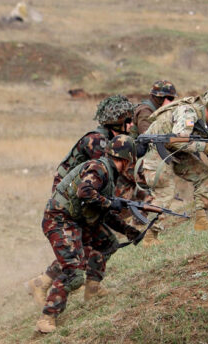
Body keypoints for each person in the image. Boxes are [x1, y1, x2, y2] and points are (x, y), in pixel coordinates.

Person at [33, 135, 141, 333]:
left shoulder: (108, 173)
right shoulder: (99, 168)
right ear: (127, 159)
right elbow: (85, 192)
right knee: (73, 272)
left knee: (108, 242)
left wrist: (128, 230)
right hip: (59, 220)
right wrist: (111, 203)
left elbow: (102, 211)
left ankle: (92, 290)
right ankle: (47, 317)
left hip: (76, 220)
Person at [139, 87, 208, 245]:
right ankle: (150, 236)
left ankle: (202, 220)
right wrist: (204, 148)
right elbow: (179, 141)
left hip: (176, 150)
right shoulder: (188, 113)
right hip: (157, 148)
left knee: (204, 174)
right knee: (165, 188)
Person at [51, 95, 135, 192]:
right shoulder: (97, 141)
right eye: (128, 121)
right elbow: (108, 169)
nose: (131, 124)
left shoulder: (110, 139)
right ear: (117, 123)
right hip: (67, 190)